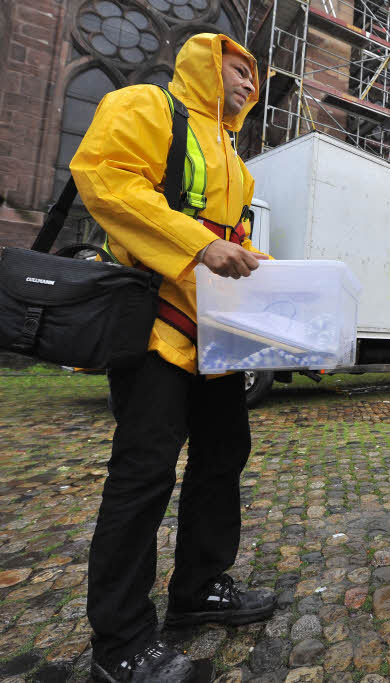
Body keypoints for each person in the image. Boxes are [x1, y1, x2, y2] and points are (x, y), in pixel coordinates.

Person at [70, 34, 277, 682]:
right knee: (144, 473)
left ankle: (199, 588)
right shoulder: (149, 108)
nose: (248, 83)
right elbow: (103, 178)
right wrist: (195, 245)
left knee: (222, 457)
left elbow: (234, 248)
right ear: (205, 64)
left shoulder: (239, 167)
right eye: (238, 70)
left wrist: (285, 283)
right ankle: (121, 642)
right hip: (155, 330)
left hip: (214, 341)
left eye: (253, 77)